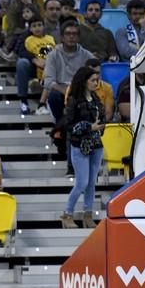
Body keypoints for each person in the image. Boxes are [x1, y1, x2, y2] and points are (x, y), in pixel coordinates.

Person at [60, 67, 106, 229]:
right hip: (80, 145)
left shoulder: (95, 98)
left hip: (96, 144)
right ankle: (67, 213)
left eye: (97, 80)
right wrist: (88, 127)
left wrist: (102, 124)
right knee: (82, 183)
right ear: (84, 81)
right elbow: (69, 125)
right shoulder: (73, 100)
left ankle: (88, 214)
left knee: (92, 182)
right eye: (93, 80)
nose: (96, 83)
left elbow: (102, 116)